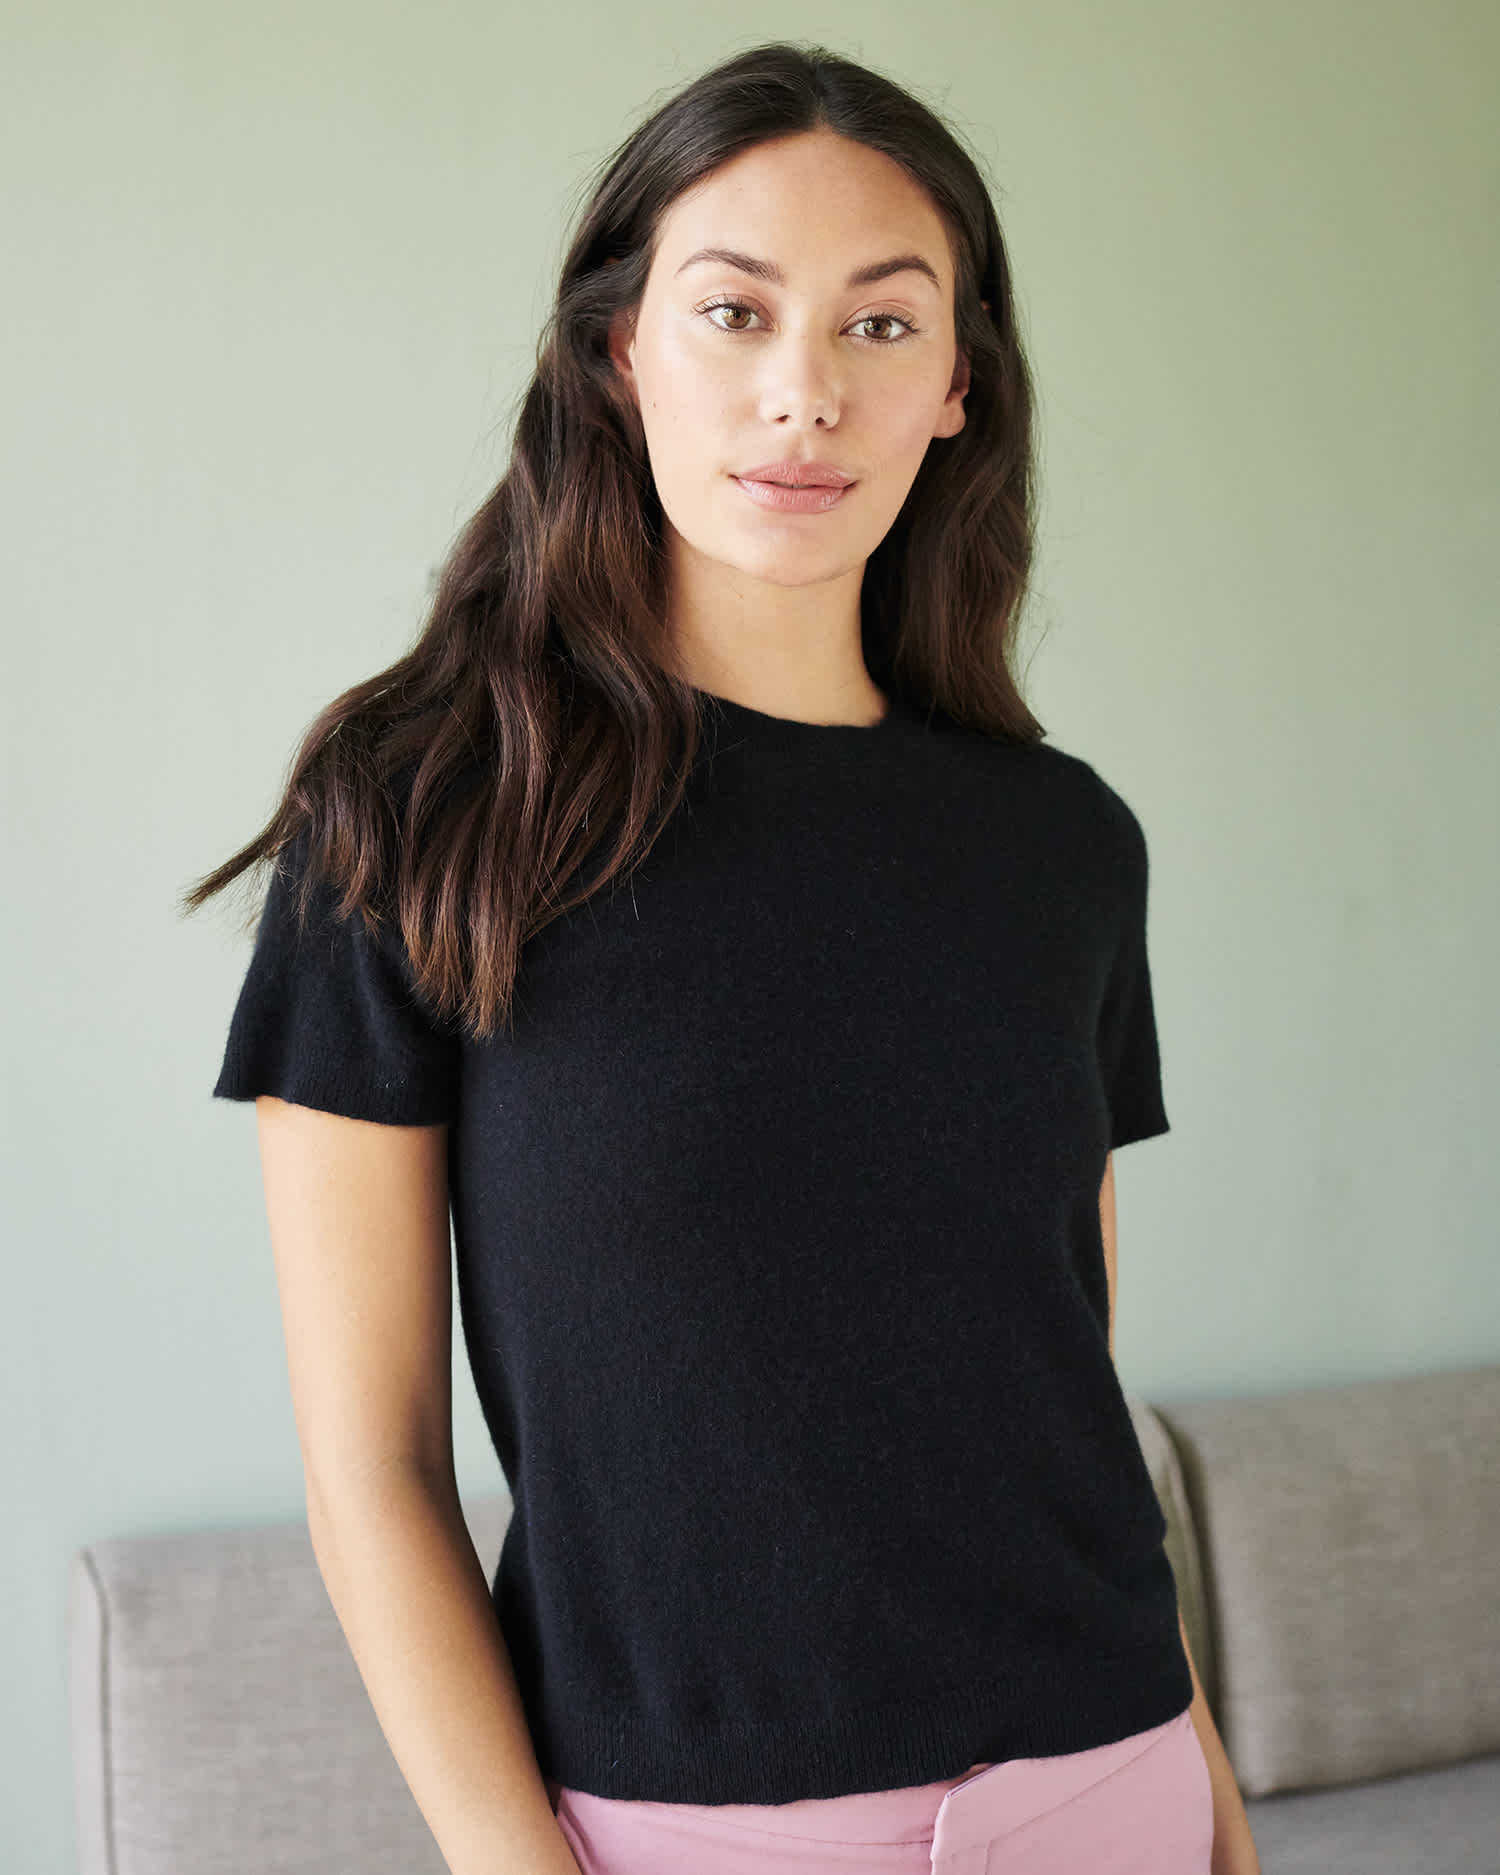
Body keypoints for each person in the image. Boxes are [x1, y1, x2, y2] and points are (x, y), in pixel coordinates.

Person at [186, 39, 1261, 1875]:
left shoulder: (1062, 845)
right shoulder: (418, 818)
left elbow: (1057, 1378)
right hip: (696, 1832)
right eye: (734, 312)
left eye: (879, 326)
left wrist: (1217, 1812)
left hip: (1116, 1785)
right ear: (620, 354)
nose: (803, 395)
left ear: (956, 391)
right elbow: (373, 1479)